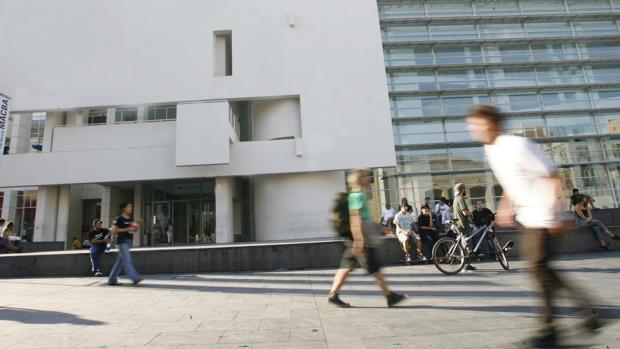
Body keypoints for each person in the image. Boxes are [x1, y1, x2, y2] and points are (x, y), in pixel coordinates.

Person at [467, 104, 602, 347]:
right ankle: (569, 321)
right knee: (541, 272)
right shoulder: (492, 150)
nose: (474, 129)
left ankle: (569, 319)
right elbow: (514, 182)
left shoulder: (517, 145)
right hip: (529, 218)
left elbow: (551, 175)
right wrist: (505, 206)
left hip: (544, 217)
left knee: (540, 270)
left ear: (493, 124)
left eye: (478, 125)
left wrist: (558, 215)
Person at [328, 169, 406, 308]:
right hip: (361, 239)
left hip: (357, 238)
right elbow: (355, 219)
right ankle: (389, 296)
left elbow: (364, 218)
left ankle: (333, 294)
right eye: (365, 176)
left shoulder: (357, 195)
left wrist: (381, 228)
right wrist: (359, 240)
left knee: (346, 267)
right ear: (359, 180)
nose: (368, 178)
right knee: (374, 268)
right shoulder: (357, 196)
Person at [108, 202, 142, 286]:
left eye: (131, 206)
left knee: (120, 262)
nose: (131, 208)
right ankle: (135, 278)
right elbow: (113, 230)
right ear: (124, 208)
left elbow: (133, 230)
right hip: (121, 241)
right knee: (127, 260)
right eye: (129, 206)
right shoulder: (118, 218)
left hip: (128, 241)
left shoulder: (130, 218)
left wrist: (136, 224)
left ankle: (112, 279)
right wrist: (127, 228)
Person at [453, 183, 477, 271]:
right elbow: (465, 212)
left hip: (458, 224)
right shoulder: (460, 198)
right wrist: (472, 213)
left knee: (464, 244)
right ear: (462, 190)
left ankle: (466, 264)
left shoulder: (456, 199)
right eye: (464, 189)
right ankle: (465, 265)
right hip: (463, 224)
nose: (465, 190)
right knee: (467, 244)